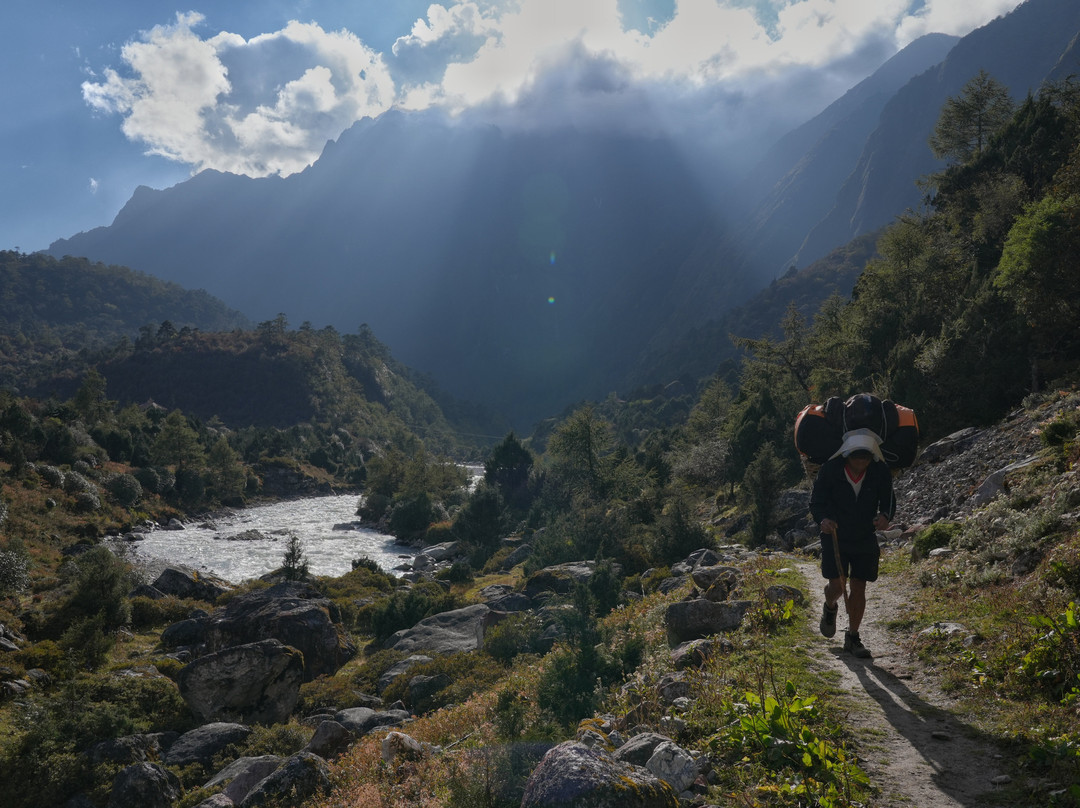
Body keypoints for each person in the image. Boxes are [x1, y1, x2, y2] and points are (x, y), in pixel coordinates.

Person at [810, 429, 895, 658]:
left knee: (859, 585)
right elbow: (816, 502)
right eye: (857, 457)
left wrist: (885, 516)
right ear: (847, 455)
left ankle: (853, 637)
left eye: (866, 457)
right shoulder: (830, 470)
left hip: (864, 535)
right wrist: (823, 520)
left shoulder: (879, 471)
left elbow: (888, 499)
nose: (861, 462)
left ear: (872, 457)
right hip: (835, 535)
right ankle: (830, 606)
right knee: (837, 586)